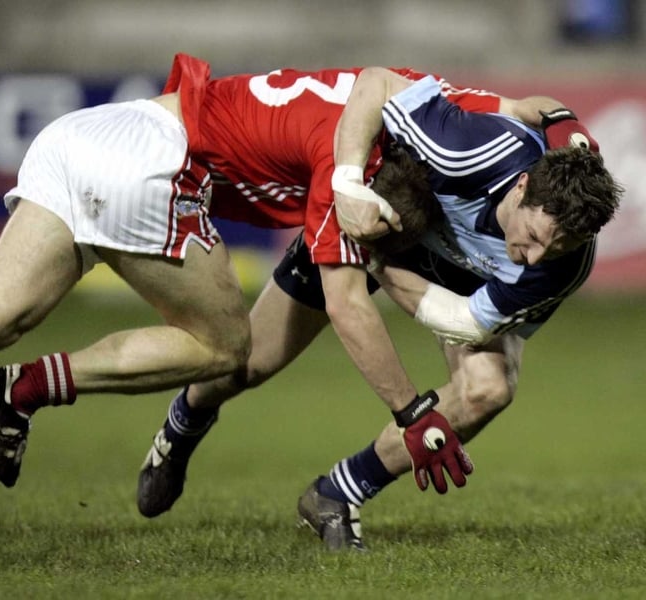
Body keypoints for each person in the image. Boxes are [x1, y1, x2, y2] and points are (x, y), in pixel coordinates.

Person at [136, 63, 622, 551]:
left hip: (445, 273)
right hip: (382, 211)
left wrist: (379, 268)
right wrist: (347, 186)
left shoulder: (562, 264)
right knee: (247, 363)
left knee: (489, 388)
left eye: (555, 249)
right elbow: (375, 83)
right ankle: (185, 421)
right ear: (521, 188)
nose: (535, 256)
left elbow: (466, 321)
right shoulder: (470, 146)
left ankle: (338, 493)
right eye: (534, 237)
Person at [0, 87, 253, 528]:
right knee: (224, 344)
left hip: (78, 135)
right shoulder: (335, 124)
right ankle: (30, 386)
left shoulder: (305, 97)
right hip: (143, 161)